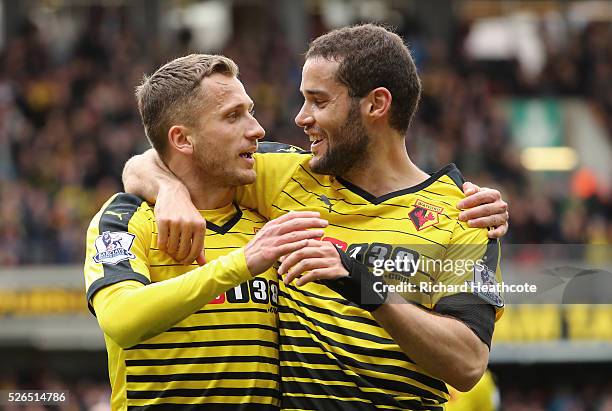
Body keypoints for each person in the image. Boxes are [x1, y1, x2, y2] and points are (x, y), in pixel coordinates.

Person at [123, 24, 509, 410]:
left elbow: (468, 362)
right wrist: (169, 190)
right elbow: (166, 157)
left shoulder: (465, 214)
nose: (300, 118)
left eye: (318, 102)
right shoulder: (284, 175)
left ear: (376, 104)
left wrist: (362, 284)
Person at [83, 54, 330, 410]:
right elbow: (121, 319)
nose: (257, 129)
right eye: (233, 116)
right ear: (182, 139)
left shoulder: (271, 213)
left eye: (250, 110)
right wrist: (241, 263)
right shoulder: (125, 218)